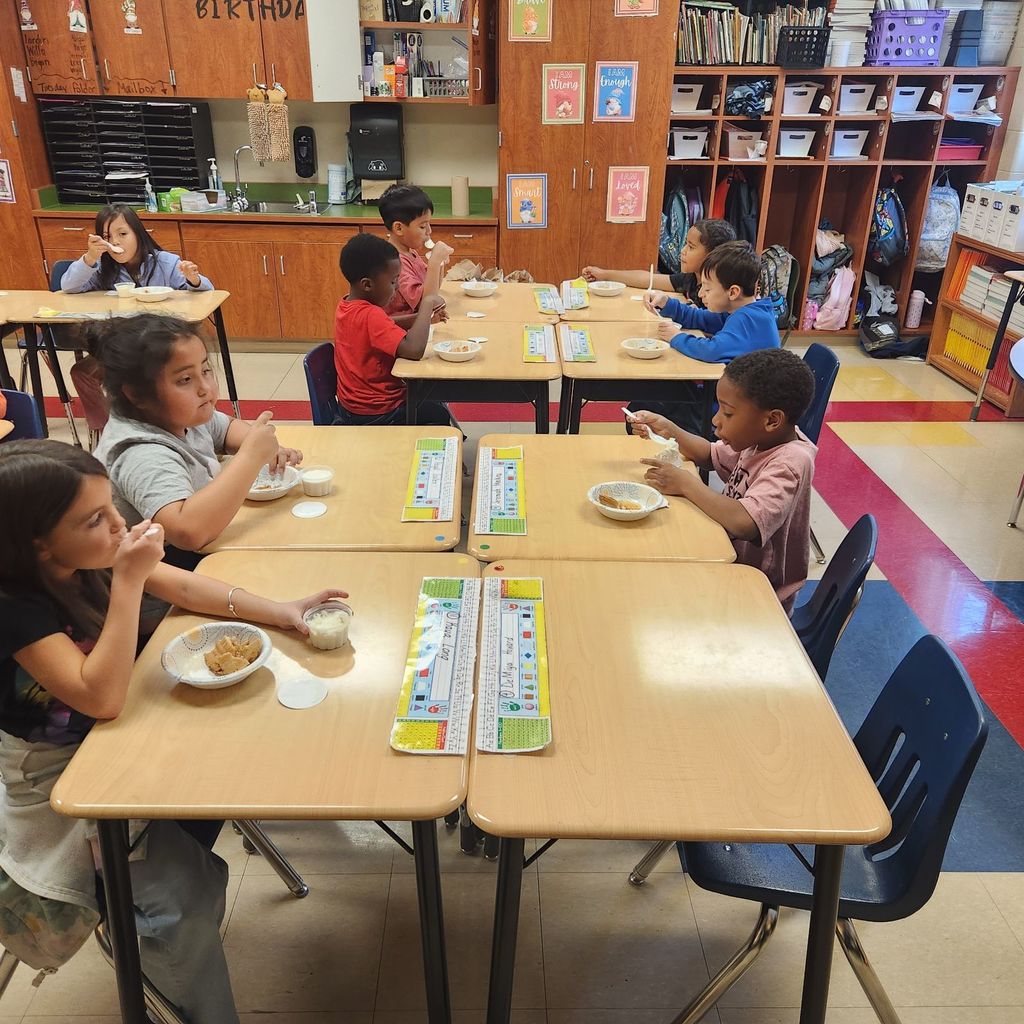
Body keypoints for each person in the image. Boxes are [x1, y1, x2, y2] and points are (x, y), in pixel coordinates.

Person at [0, 439, 348, 1023]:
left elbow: (185, 587)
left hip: (127, 733)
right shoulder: (15, 605)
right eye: (96, 519)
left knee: (256, 739)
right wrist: (130, 581)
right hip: (58, 778)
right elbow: (99, 696)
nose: (120, 525)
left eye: (114, 507)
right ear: (38, 543)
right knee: (178, 901)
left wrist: (280, 610)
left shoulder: (86, 552)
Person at [90, 315, 301, 570]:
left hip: (202, 549)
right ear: (137, 394)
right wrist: (250, 457)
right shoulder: (141, 453)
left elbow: (225, 429)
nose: (205, 388)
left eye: (205, 370)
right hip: (159, 582)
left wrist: (258, 444)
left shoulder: (182, 414)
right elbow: (187, 532)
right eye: (185, 380)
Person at [631, 348, 816, 613]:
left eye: (728, 413)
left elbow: (745, 522)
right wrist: (670, 430)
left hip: (756, 594)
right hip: (726, 559)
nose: (716, 420)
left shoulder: (790, 462)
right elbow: (710, 454)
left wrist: (686, 483)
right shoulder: (760, 440)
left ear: (772, 420)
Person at [60, 203, 213, 435]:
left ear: (138, 234)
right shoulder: (101, 267)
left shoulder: (165, 262)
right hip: (122, 351)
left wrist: (194, 280)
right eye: (107, 237)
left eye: (123, 234)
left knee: (150, 376)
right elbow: (69, 287)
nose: (116, 242)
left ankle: (165, 424)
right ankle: (105, 430)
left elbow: (205, 292)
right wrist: (90, 257)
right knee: (81, 372)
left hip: (161, 349)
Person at [628, 241, 779, 436]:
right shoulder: (743, 310)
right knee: (654, 397)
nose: (701, 294)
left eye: (707, 289)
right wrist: (667, 303)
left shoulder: (748, 320)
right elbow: (702, 319)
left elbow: (711, 350)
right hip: (731, 402)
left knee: (641, 410)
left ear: (733, 292)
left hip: (735, 416)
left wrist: (676, 337)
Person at [332, 233, 454, 427]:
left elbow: (386, 324)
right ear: (367, 284)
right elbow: (413, 350)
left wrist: (423, 320)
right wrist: (427, 305)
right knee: (437, 412)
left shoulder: (347, 305)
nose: (397, 288)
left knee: (431, 401)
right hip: (377, 412)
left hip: (353, 407)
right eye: (393, 282)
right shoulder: (371, 315)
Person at [582, 217, 736, 308]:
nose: (682, 251)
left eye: (691, 247)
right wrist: (604, 274)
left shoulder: (718, 292)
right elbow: (648, 279)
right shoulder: (691, 278)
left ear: (713, 255)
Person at [377, 184, 452, 328]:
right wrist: (434, 263)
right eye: (422, 226)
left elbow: (432, 290)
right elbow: (426, 303)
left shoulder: (410, 252)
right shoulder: (396, 262)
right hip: (399, 336)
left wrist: (439, 264)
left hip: (414, 327)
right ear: (399, 228)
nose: (429, 231)